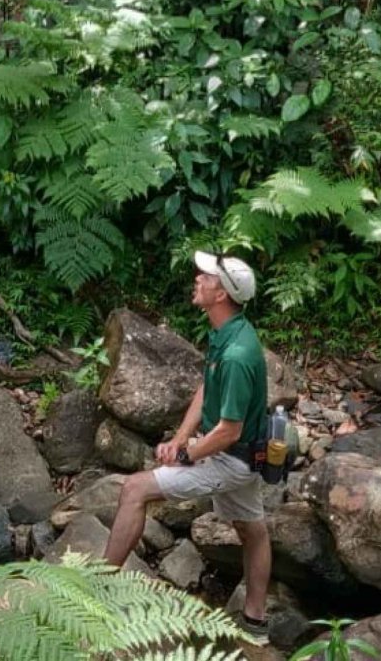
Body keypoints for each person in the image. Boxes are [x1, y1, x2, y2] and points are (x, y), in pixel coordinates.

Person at [104, 251, 271, 638]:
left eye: (208, 277)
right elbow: (205, 387)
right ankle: (256, 622)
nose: (198, 278)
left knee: (134, 490)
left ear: (222, 295)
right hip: (247, 453)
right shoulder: (230, 330)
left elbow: (228, 430)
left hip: (231, 458)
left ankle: (97, 590)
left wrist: (185, 454)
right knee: (253, 531)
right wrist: (181, 436)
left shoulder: (236, 354)